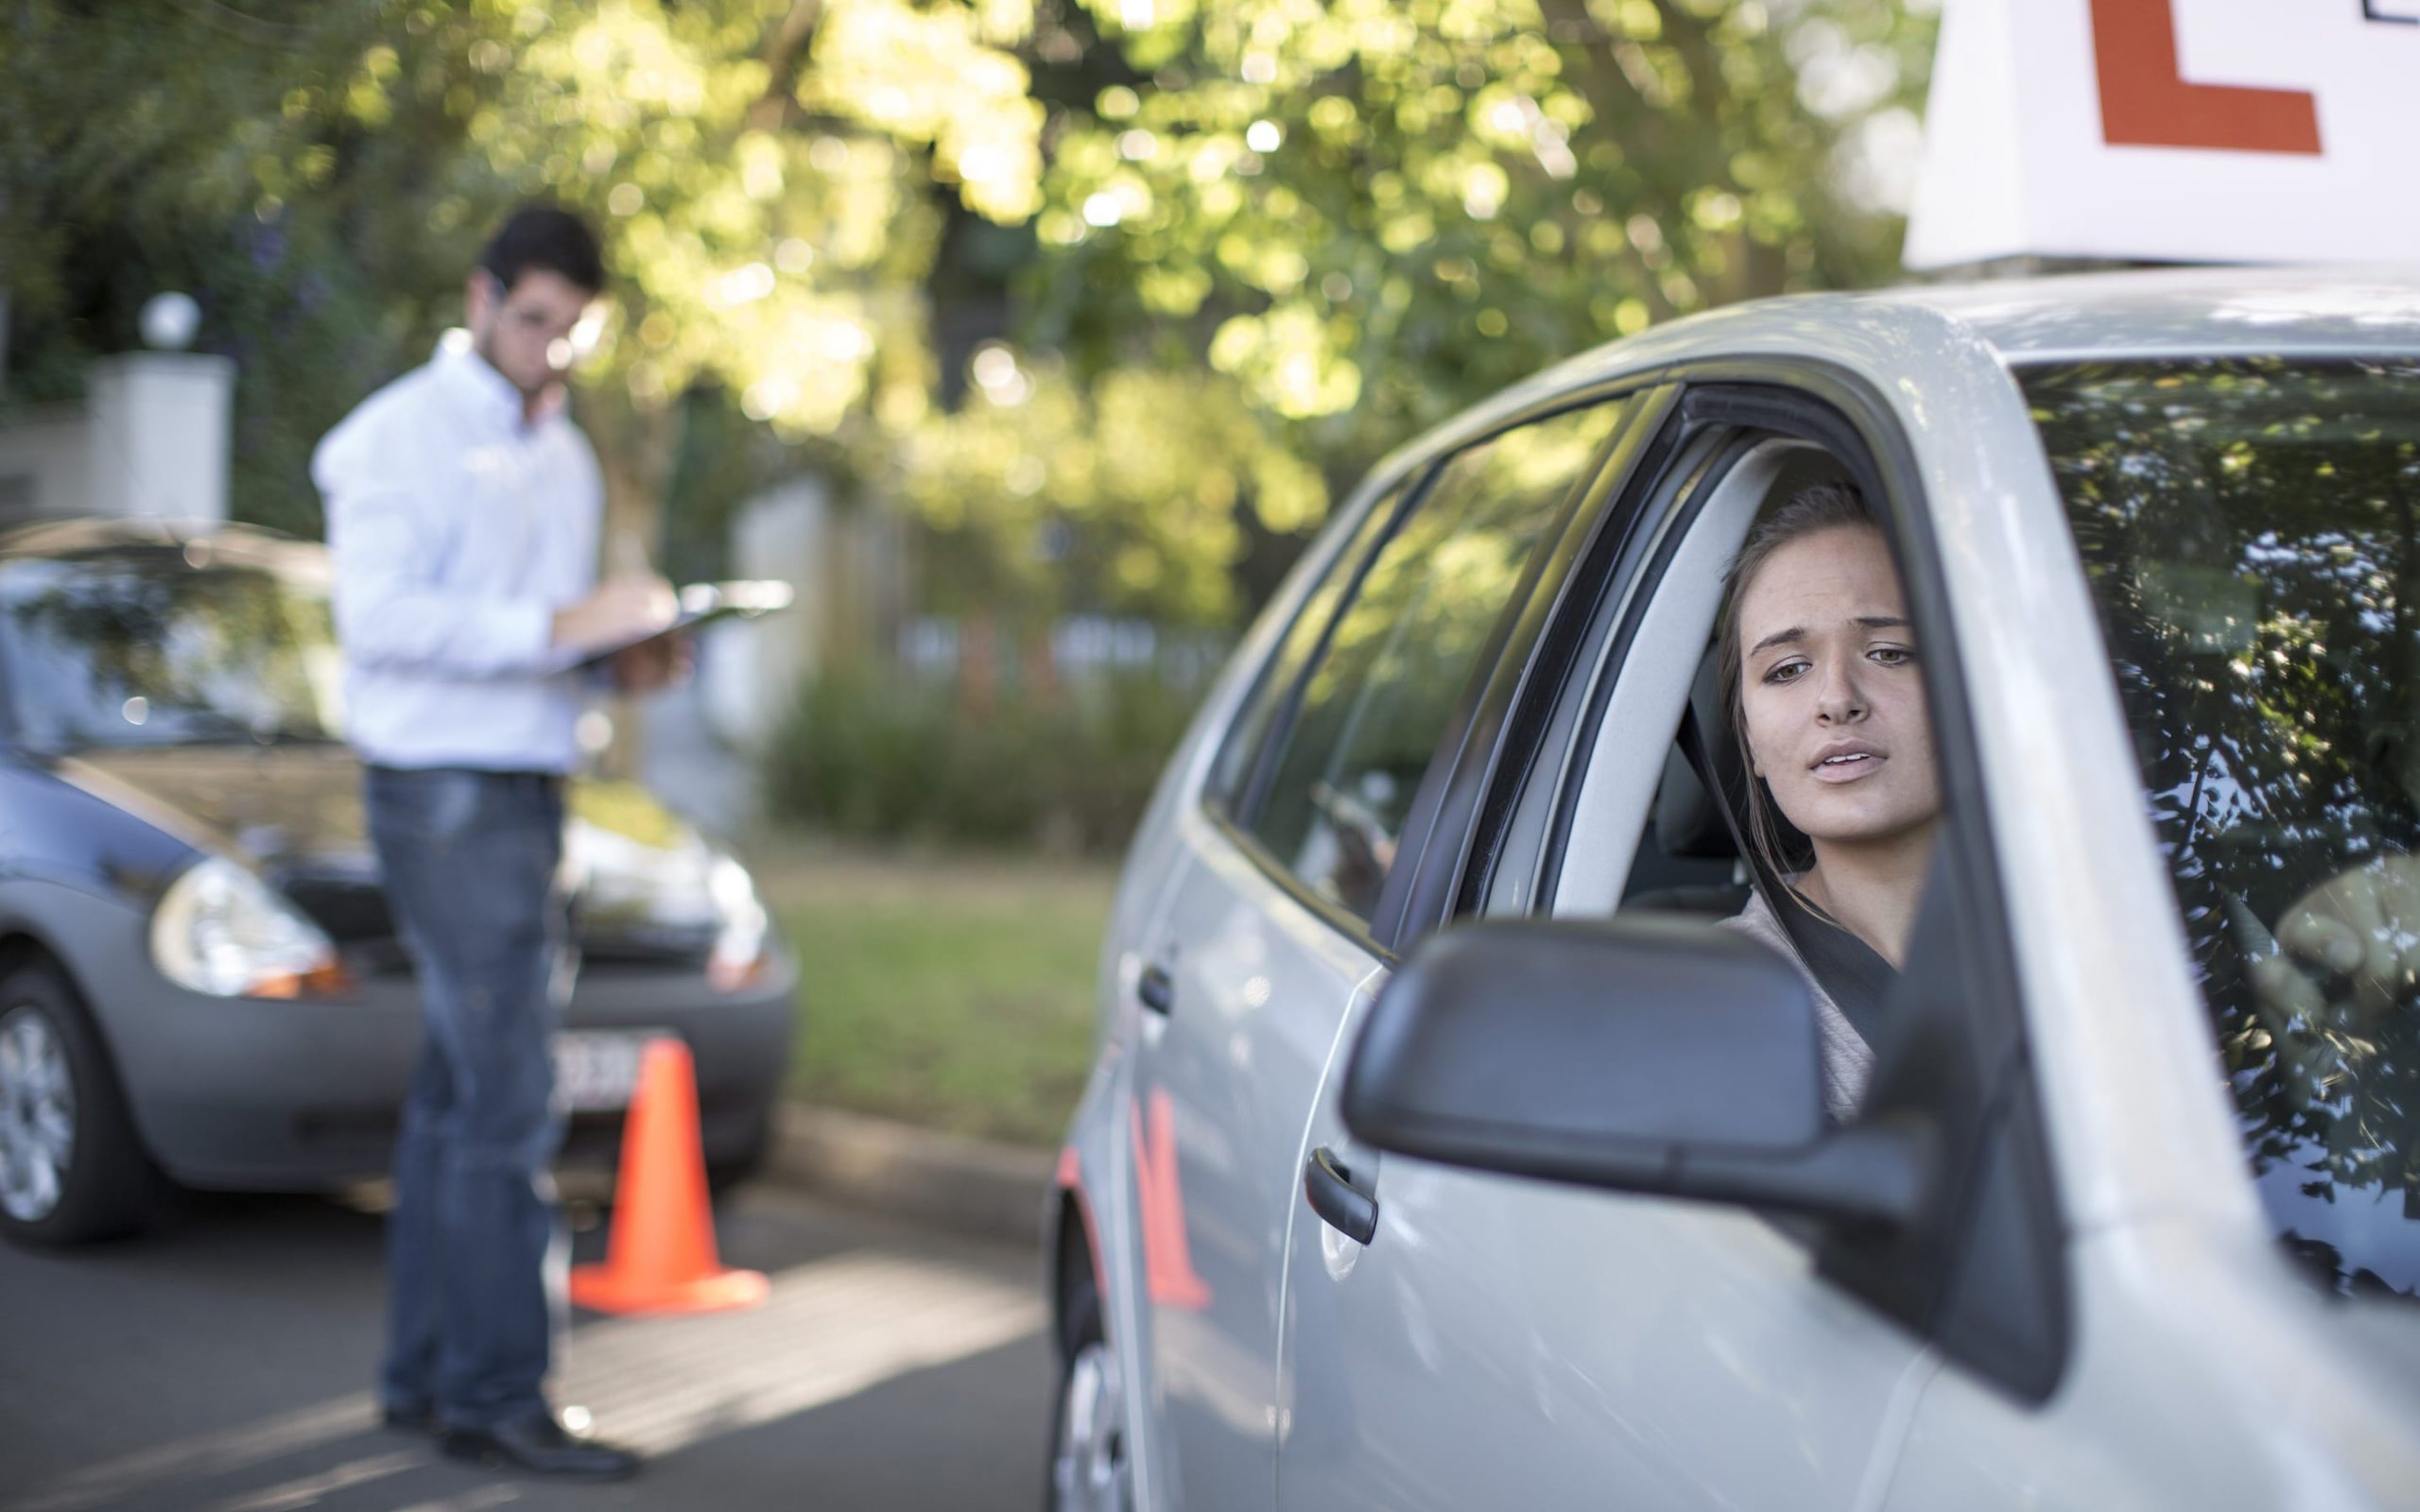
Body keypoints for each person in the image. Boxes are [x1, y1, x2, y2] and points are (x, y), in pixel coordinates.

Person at [314, 205, 679, 1481]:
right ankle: (498, 1397)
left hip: (528, 785)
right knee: (511, 1094)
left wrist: (618, 661)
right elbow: (380, 621)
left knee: (458, 1093)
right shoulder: (388, 441)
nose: (555, 351)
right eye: (536, 321)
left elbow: (544, 648)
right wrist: (561, 619)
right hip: (439, 792)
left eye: (576, 330)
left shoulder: (565, 453)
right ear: (480, 300)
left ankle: (425, 1381)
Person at [1711, 482, 1942, 1121]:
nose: (1837, 698)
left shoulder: (2128, 933)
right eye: (1787, 669)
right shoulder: (1710, 1005)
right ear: (1751, 742)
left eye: (1891, 652)